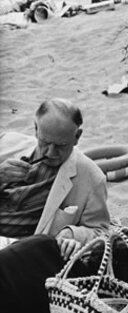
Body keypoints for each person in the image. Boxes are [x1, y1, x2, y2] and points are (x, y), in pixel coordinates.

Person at [0, 98, 110, 313]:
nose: (49, 153)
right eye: (44, 143)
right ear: (35, 130)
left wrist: (72, 234)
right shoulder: (7, 146)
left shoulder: (90, 176)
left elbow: (102, 231)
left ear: (77, 137)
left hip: (27, 255)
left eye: (60, 146)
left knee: (36, 246)